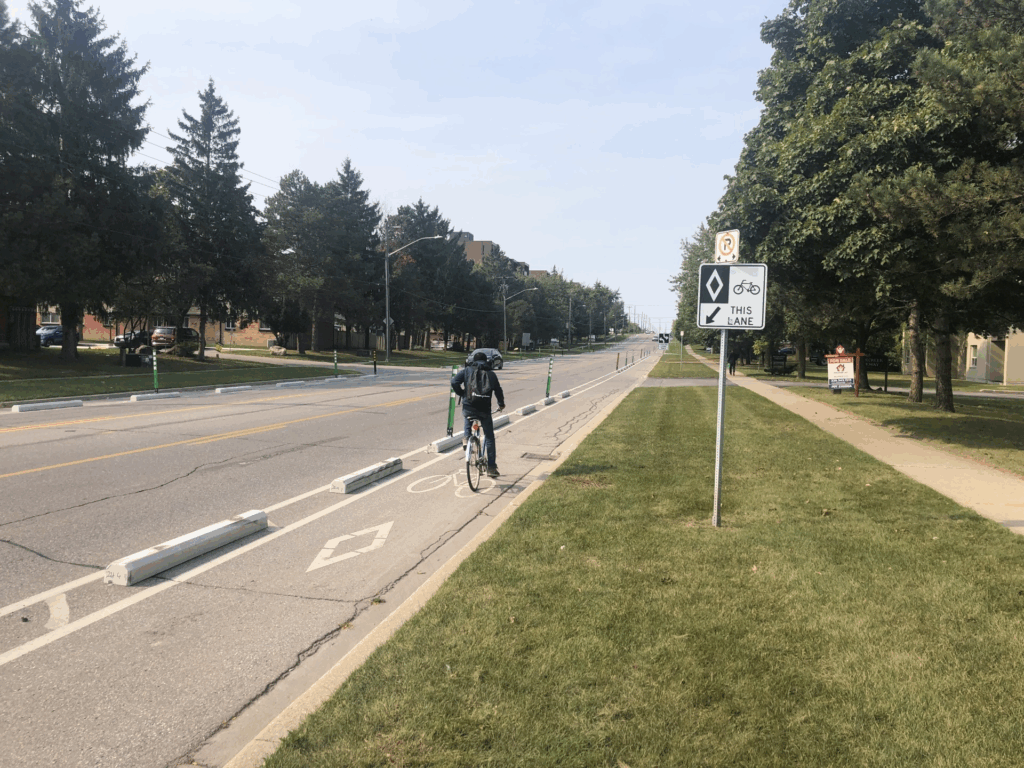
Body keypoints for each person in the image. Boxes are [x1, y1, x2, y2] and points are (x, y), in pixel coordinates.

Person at [452, 351, 506, 477]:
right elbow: (498, 391)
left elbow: (454, 382)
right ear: (486, 361)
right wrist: (501, 404)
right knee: (489, 437)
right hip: (484, 410)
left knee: (467, 416)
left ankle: (466, 438)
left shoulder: (467, 371)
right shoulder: (491, 374)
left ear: (473, 361)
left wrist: (462, 394)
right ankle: (491, 467)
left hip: (469, 406)